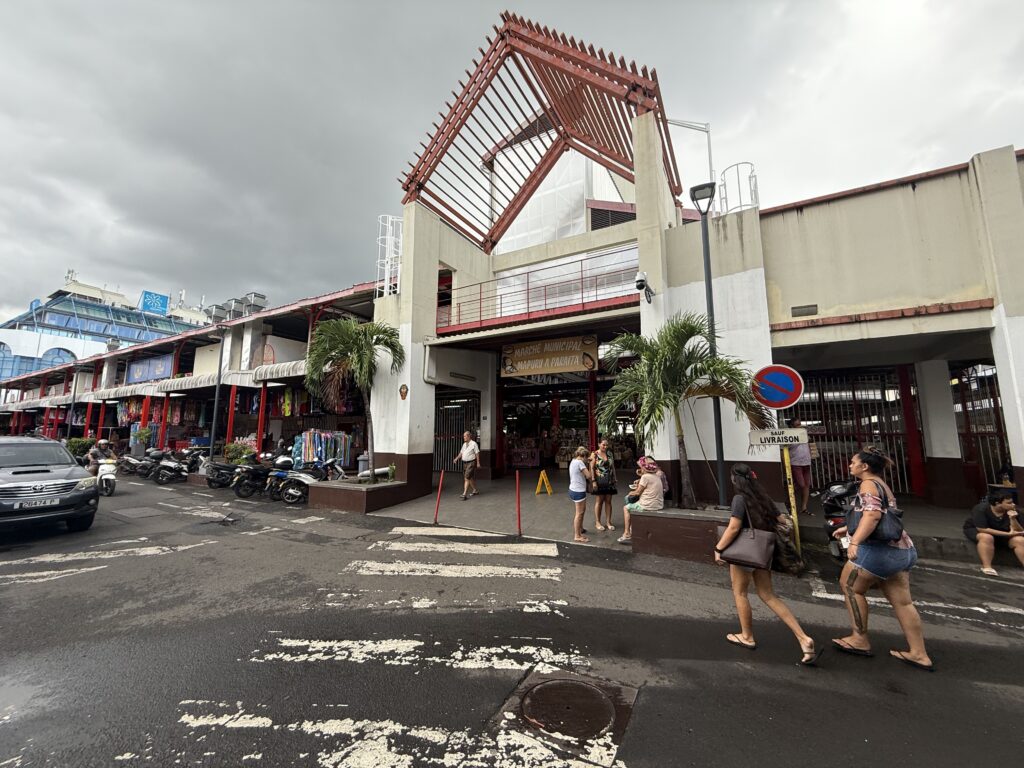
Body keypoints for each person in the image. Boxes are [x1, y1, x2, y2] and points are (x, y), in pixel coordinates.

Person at [831, 445, 933, 671]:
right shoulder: (881, 484)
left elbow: (873, 515)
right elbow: (881, 512)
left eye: (853, 462)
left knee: (850, 587)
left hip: (879, 551)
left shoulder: (867, 483)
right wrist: (849, 528)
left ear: (864, 466)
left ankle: (859, 639)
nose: (850, 465)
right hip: (902, 549)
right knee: (903, 602)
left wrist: (855, 541)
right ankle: (919, 653)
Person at [714, 463, 822, 665]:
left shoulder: (739, 499)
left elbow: (734, 527)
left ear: (734, 479)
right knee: (768, 595)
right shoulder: (763, 498)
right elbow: (782, 520)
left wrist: (719, 549)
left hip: (744, 553)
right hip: (763, 552)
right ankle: (803, 638)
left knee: (740, 593)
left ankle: (747, 636)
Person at [963, 490, 1024, 576]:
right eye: (1009, 503)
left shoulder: (1014, 511)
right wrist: (1008, 534)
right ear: (998, 503)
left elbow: (1019, 531)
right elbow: (982, 529)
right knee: (987, 537)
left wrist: (1013, 519)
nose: (1013, 505)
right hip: (980, 531)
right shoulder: (981, 509)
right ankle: (987, 567)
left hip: (1004, 532)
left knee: (1019, 540)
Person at [618, 457, 664, 545]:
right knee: (631, 502)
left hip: (648, 505)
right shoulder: (656, 475)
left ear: (644, 467)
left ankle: (627, 533)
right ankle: (632, 526)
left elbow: (638, 492)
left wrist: (631, 492)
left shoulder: (645, 477)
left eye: (641, 467)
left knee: (626, 507)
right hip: (658, 504)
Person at [589, 438, 617, 531]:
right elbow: (592, 468)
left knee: (608, 501)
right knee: (599, 501)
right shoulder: (594, 454)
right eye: (603, 444)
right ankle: (598, 522)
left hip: (609, 481)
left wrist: (615, 478)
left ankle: (608, 522)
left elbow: (612, 467)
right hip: (599, 480)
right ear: (599, 444)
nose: (605, 446)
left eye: (606, 445)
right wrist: (593, 481)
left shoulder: (610, 454)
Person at [788, 417, 812, 514]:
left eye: (800, 424)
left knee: (806, 485)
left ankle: (804, 507)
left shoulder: (804, 432)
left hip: (806, 461)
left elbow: (809, 441)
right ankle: (789, 503)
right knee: (800, 484)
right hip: (796, 462)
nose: (800, 426)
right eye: (797, 425)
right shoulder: (789, 435)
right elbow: (789, 446)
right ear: (792, 426)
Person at [568, 446, 592, 543]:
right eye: (587, 458)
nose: (587, 459)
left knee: (582, 511)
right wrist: (590, 464)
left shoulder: (573, 461)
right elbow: (589, 475)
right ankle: (577, 535)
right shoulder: (580, 463)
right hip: (578, 491)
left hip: (573, 489)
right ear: (583, 456)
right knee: (579, 513)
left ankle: (580, 529)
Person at [453, 430, 481, 501]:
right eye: (463, 436)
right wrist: (456, 458)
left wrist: (478, 463)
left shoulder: (474, 444)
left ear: (468, 436)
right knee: (470, 477)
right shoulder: (464, 444)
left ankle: (464, 494)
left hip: (471, 463)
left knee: (466, 478)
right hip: (465, 463)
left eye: (465, 436)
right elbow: (461, 453)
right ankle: (475, 490)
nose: (464, 437)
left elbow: (477, 453)